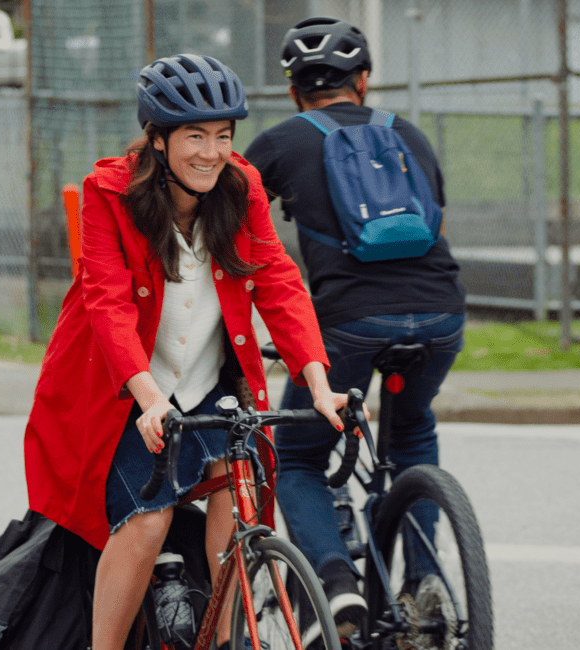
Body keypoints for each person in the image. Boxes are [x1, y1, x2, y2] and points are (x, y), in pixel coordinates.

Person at [23, 53, 352, 650]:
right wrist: (148, 398)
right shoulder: (109, 193)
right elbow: (108, 304)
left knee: (241, 501)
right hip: (130, 392)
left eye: (223, 136)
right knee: (147, 521)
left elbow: (278, 279)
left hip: (210, 382)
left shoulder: (241, 187)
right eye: (195, 136)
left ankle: (223, 638)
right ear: (156, 139)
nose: (211, 152)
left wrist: (319, 381)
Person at [243, 16, 467, 632]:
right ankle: (425, 582)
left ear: (295, 90)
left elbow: (222, 224)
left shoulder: (281, 142)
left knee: (298, 456)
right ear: (362, 80)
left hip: (349, 322)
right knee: (414, 430)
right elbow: (437, 227)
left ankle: (337, 585)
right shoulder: (408, 135)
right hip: (443, 313)